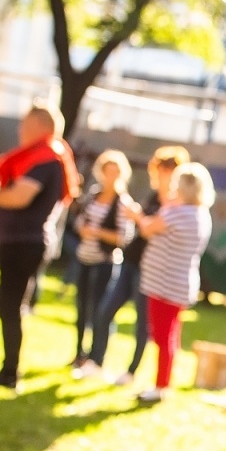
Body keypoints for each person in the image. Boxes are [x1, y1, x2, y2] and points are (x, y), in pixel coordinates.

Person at [0, 104, 81, 390]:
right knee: (7, 305)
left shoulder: (46, 159)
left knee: (9, 305)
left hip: (25, 242)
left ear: (40, 126)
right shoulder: (41, 157)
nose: (20, 128)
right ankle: (8, 370)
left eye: (25, 123)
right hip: (18, 240)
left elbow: (20, 197)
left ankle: (10, 373)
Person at [95, 145, 187, 387]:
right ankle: (96, 361)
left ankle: (132, 371)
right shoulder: (155, 196)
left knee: (142, 324)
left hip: (153, 272)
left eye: (163, 170)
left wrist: (138, 218)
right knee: (106, 310)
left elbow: (149, 228)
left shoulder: (178, 203)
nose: (157, 175)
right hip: (131, 262)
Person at [135, 163, 214, 404]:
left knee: (162, 338)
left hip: (164, 284)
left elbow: (148, 229)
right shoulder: (200, 214)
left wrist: (136, 215)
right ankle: (164, 382)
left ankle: (160, 386)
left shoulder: (176, 213)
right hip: (181, 283)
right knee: (170, 336)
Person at [70, 150, 140, 377]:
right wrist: (83, 229)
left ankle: (95, 356)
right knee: (81, 307)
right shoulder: (94, 195)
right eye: (106, 171)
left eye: (115, 172)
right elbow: (80, 221)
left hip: (105, 262)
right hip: (84, 257)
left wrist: (97, 232)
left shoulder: (122, 202)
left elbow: (124, 238)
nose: (110, 177)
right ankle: (79, 353)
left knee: (100, 310)